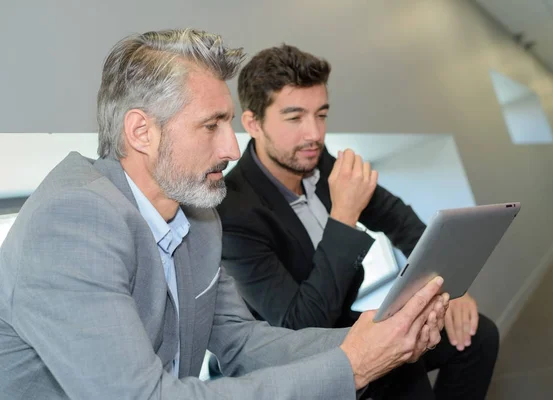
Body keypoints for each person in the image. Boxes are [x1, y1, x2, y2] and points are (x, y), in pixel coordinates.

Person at [0, 29, 448, 399]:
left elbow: (244, 342)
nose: (232, 149)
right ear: (142, 132)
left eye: (228, 124)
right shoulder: (73, 221)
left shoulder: (196, 216)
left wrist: (380, 338)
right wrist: (352, 365)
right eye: (210, 125)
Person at [217, 44, 500, 399]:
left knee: (478, 336)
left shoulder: (320, 163)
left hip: (343, 324)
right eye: (294, 118)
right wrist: (344, 215)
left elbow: (400, 220)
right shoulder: (232, 210)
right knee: (402, 365)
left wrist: (449, 288)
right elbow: (299, 324)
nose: (315, 134)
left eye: (321, 114)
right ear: (253, 123)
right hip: (292, 355)